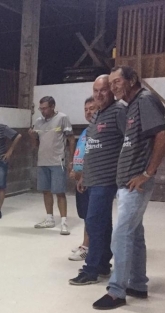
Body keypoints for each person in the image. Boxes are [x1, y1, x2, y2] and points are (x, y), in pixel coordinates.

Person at [93, 66, 165, 310]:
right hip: (127, 181)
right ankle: (138, 284)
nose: (114, 87)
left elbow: (164, 135)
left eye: (117, 82)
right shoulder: (132, 105)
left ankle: (116, 291)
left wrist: (147, 173)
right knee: (135, 235)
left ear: (132, 80)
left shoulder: (145, 100)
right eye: (111, 83)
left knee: (122, 234)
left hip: (136, 184)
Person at [69, 75, 126, 286]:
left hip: (106, 178)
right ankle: (102, 263)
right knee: (102, 223)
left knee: (93, 222)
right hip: (91, 178)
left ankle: (90, 270)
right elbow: (91, 149)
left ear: (111, 90)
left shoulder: (119, 111)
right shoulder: (97, 116)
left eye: (103, 90)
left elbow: (130, 140)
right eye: (95, 90)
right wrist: (84, 175)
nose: (99, 94)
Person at [29, 96, 75, 235]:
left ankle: (64, 222)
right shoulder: (38, 122)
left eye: (45, 108)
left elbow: (71, 140)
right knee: (46, 191)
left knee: (60, 192)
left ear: (53, 106)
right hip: (43, 162)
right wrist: (32, 136)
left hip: (57, 161)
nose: (42, 111)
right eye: (40, 109)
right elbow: (35, 145)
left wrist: (71, 161)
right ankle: (49, 218)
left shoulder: (62, 118)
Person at [68, 96, 98, 261]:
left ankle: (87, 247)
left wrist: (84, 174)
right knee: (85, 215)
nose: (88, 112)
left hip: (91, 180)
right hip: (81, 180)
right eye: (86, 109)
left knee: (91, 216)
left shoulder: (99, 130)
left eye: (92, 109)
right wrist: (75, 166)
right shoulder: (87, 130)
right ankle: (85, 243)